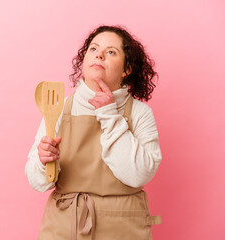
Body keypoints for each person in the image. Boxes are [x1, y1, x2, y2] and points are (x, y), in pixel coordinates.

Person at [25, 25, 162, 240]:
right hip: (63, 227)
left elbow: (139, 174)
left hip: (123, 229)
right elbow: (37, 182)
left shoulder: (140, 113)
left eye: (111, 52)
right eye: (93, 49)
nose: (99, 54)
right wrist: (43, 161)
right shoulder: (57, 109)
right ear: (84, 60)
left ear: (127, 69)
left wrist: (109, 113)